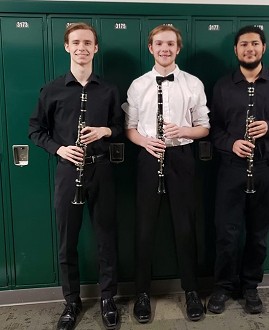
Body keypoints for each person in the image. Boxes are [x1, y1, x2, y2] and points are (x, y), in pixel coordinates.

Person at [29, 22, 123, 330]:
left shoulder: (108, 90)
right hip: (69, 170)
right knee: (66, 241)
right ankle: (71, 301)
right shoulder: (52, 89)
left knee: (106, 238)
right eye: (76, 42)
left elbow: (121, 127)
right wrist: (59, 150)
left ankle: (109, 298)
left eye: (88, 42)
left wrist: (106, 130)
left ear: (95, 48)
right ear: (67, 47)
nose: (82, 47)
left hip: (101, 169)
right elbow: (35, 130)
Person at [207, 25, 269, 315]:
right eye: (244, 45)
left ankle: (250, 287)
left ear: (264, 48)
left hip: (266, 167)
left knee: (258, 233)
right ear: (235, 50)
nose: (249, 49)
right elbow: (214, 130)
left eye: (255, 44)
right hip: (232, 167)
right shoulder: (223, 85)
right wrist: (231, 144)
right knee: (226, 232)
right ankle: (223, 286)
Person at [122, 25, 210, 323]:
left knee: (185, 227)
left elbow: (204, 126)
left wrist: (184, 130)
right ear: (150, 47)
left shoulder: (192, 83)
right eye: (159, 43)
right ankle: (142, 294)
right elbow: (130, 127)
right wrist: (144, 140)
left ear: (178, 48)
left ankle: (192, 291)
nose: (165, 48)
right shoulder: (138, 85)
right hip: (148, 157)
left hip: (181, 157)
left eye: (170, 44)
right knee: (144, 228)